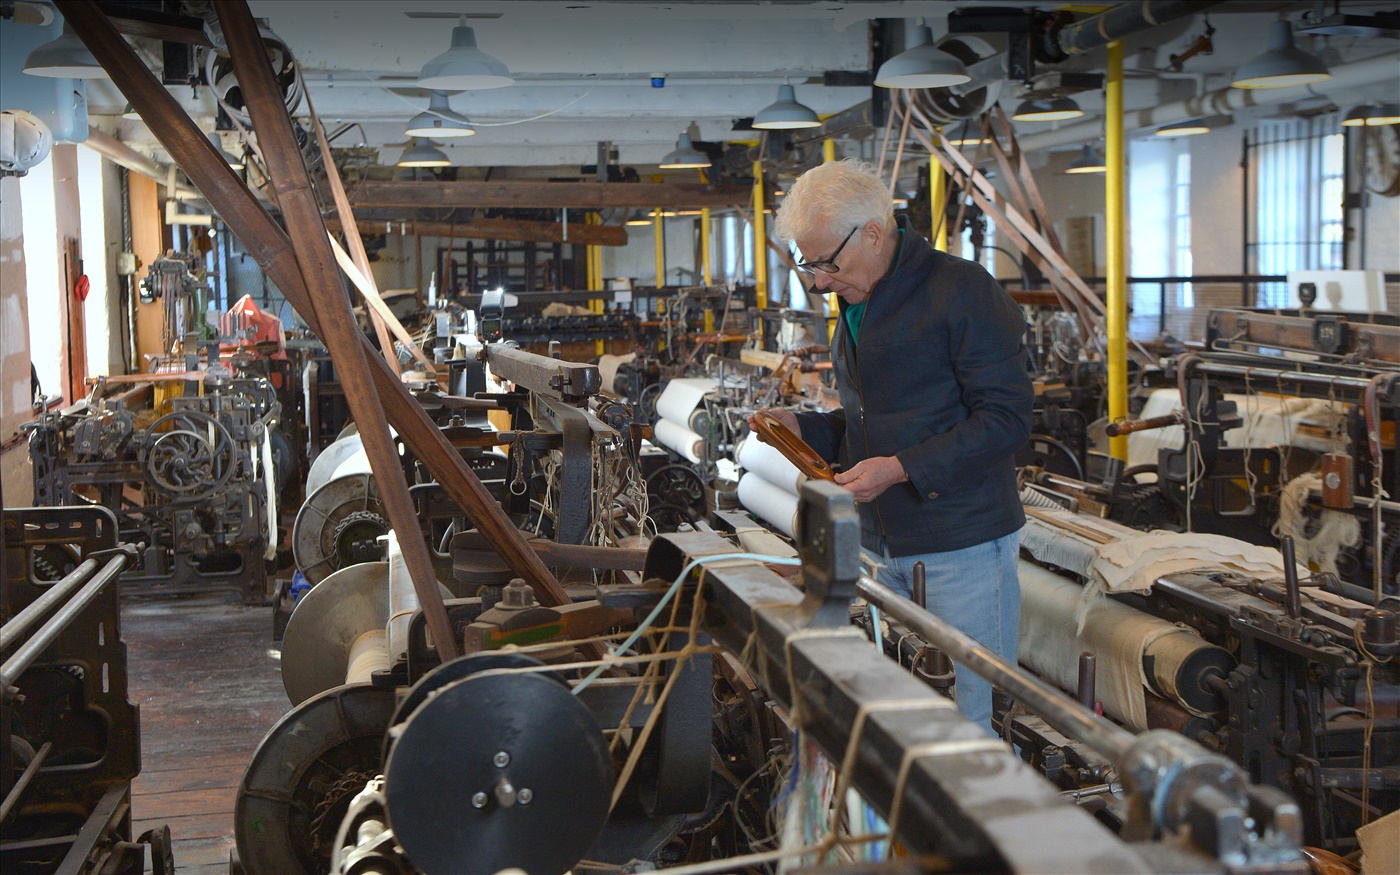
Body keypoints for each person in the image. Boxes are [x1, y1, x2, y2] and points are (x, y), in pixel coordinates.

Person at [750, 159, 1033, 731]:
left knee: (972, 722)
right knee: (896, 717)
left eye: (826, 263)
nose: (818, 281)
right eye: (809, 265)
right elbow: (872, 421)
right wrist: (805, 428)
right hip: (880, 545)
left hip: (960, 548)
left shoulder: (961, 291)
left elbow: (1006, 419)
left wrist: (901, 468)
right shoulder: (857, 301)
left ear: (874, 235)